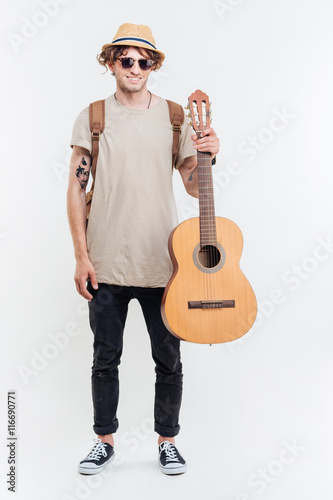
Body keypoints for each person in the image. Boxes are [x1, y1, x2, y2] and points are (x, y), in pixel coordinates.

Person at [67, 22, 220, 476]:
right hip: (106, 261)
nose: (135, 67)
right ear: (110, 62)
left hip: (164, 264)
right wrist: (80, 255)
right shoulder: (93, 115)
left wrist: (210, 152)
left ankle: (168, 441)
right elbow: (76, 189)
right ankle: (104, 441)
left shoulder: (177, 116)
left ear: (154, 65)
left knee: (168, 360)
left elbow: (195, 188)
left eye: (144, 60)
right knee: (104, 358)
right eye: (126, 59)